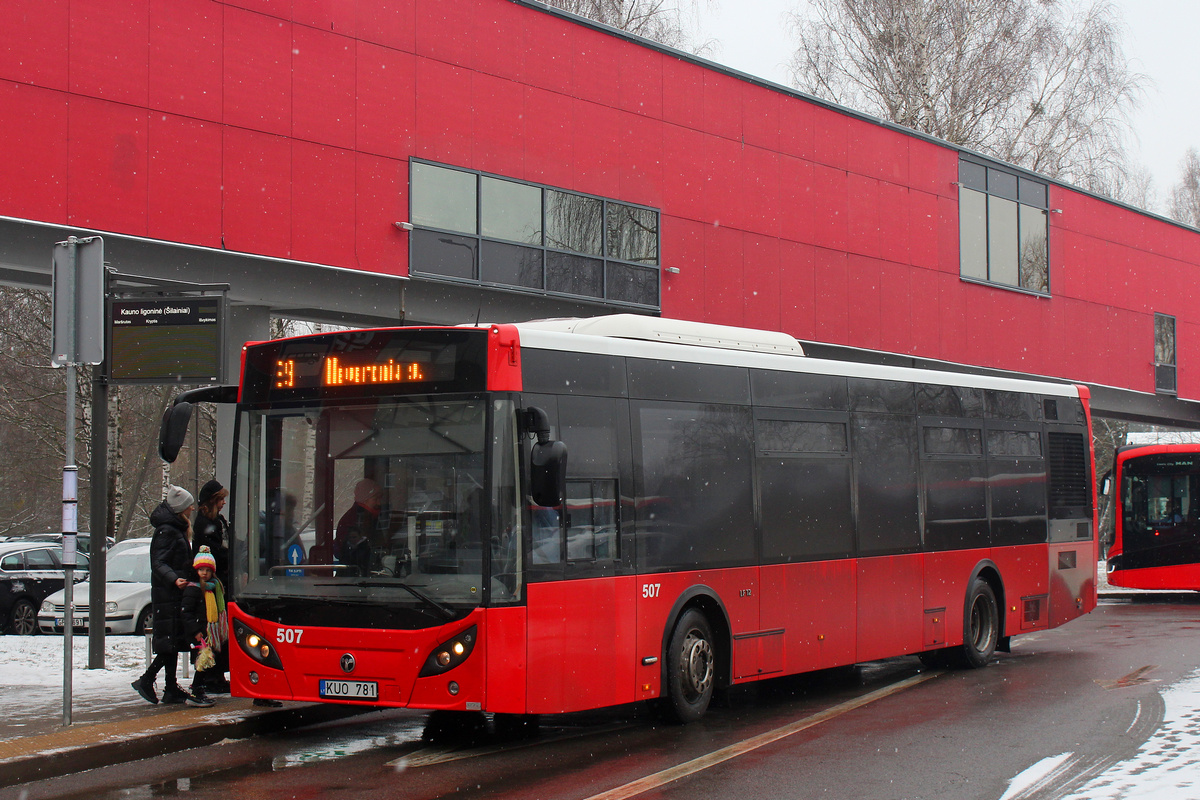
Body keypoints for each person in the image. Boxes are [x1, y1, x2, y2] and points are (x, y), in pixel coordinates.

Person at [132, 485, 202, 706]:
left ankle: (170, 687)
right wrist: (174, 579)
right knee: (171, 641)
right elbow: (158, 562)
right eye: (189, 505)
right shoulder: (168, 531)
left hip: (173, 593)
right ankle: (147, 679)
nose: (192, 508)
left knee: (174, 641)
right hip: (169, 594)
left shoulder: (175, 528)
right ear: (180, 509)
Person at [180, 547, 226, 707]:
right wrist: (196, 632)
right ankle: (196, 690)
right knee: (203, 662)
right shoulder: (193, 589)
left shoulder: (213, 588)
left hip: (208, 632)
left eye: (207, 570)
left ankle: (198, 689)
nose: (204, 573)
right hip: (199, 633)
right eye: (201, 570)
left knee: (205, 662)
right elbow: (186, 613)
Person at [192, 480, 230, 586]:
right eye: (221, 499)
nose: (224, 502)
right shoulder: (203, 523)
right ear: (213, 500)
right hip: (214, 578)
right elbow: (215, 551)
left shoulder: (218, 519)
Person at [335, 479, 382, 564]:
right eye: (375, 499)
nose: (379, 503)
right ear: (365, 499)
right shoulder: (360, 519)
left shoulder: (362, 517)